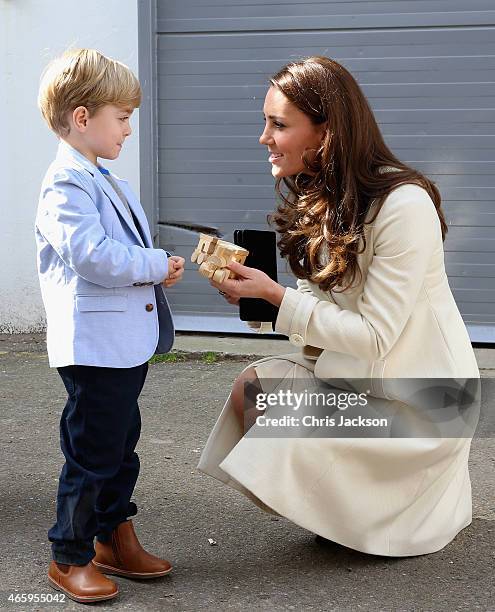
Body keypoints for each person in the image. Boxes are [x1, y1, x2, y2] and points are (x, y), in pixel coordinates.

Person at [198, 56, 480, 557]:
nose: (264, 137)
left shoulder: (403, 205)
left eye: (279, 124)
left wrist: (275, 296)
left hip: (427, 402)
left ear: (326, 132)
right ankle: (346, 511)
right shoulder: (327, 197)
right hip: (361, 379)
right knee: (256, 391)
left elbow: (374, 337)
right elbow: (321, 304)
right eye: (265, 122)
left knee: (283, 412)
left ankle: (380, 515)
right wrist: (261, 300)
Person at [36, 48, 185, 603]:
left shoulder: (104, 178)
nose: (127, 129)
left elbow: (123, 248)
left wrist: (154, 268)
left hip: (122, 345)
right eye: (120, 117)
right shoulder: (65, 185)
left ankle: (114, 538)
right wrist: (152, 265)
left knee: (121, 444)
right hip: (93, 347)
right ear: (82, 116)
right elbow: (93, 256)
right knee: (91, 451)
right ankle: (68, 555)